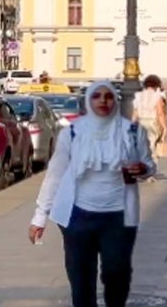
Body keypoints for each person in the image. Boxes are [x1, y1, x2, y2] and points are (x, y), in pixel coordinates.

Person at [29, 81, 155, 307]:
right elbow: (55, 175)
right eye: (97, 96)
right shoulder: (73, 133)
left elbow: (148, 165)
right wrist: (40, 216)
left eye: (108, 96)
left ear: (115, 101)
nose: (103, 101)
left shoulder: (133, 132)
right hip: (77, 217)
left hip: (118, 216)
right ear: (89, 101)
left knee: (116, 275)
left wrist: (144, 169)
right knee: (81, 281)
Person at [134, 75, 167, 160]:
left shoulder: (139, 96)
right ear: (157, 85)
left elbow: (135, 112)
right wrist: (164, 127)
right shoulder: (157, 96)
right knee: (153, 145)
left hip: (141, 122)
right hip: (153, 123)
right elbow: (160, 113)